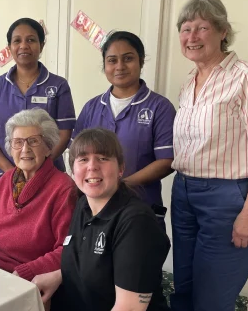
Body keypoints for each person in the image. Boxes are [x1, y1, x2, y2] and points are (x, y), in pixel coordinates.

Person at [170, 0, 248, 311]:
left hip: (227, 199)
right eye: (185, 28)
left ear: (223, 32)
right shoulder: (189, 83)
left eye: (202, 27)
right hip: (184, 192)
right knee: (184, 290)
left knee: (213, 305)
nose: (192, 36)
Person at [33, 128, 180, 311]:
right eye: (83, 159)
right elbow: (93, 259)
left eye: (103, 158)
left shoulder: (136, 223)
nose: (92, 166)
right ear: (72, 170)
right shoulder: (83, 205)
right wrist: (59, 275)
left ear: (120, 168)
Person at [0, 108, 76, 281]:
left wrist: (26, 272)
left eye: (33, 141)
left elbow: (66, 250)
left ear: (48, 147)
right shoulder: (5, 180)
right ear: (11, 148)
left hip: (20, 279)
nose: (25, 149)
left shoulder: (63, 189)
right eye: (18, 142)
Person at [72, 31, 176, 225]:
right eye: (112, 60)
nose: (120, 66)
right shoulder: (91, 108)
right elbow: (76, 156)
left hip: (140, 207)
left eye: (128, 58)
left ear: (141, 61)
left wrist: (121, 186)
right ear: (105, 65)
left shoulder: (160, 107)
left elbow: (167, 160)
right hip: (94, 208)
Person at [0, 18, 76, 201]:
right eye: (17, 41)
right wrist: (10, 171)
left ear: (41, 45)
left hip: (48, 175)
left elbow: (64, 133)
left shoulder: (58, 85)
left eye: (31, 40)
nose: (23, 46)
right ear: (10, 47)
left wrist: (41, 168)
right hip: (4, 174)